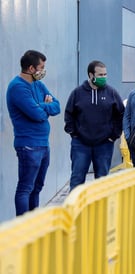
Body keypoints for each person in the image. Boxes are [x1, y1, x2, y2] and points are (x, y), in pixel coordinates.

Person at [6, 50, 61, 216]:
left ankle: (33, 222)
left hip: (43, 144)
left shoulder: (38, 84)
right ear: (31, 68)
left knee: (37, 187)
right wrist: (43, 106)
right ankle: (23, 227)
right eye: (41, 67)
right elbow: (37, 115)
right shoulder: (17, 87)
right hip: (29, 146)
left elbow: (57, 106)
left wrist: (41, 105)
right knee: (26, 188)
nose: (43, 71)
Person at [64, 60, 125, 191]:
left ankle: (101, 210)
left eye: (105, 74)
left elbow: (120, 114)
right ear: (91, 75)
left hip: (104, 144)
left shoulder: (111, 93)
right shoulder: (77, 93)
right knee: (77, 178)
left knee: (102, 180)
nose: (104, 77)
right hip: (81, 144)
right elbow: (69, 114)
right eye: (100, 75)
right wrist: (74, 134)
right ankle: (76, 210)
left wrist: (114, 135)